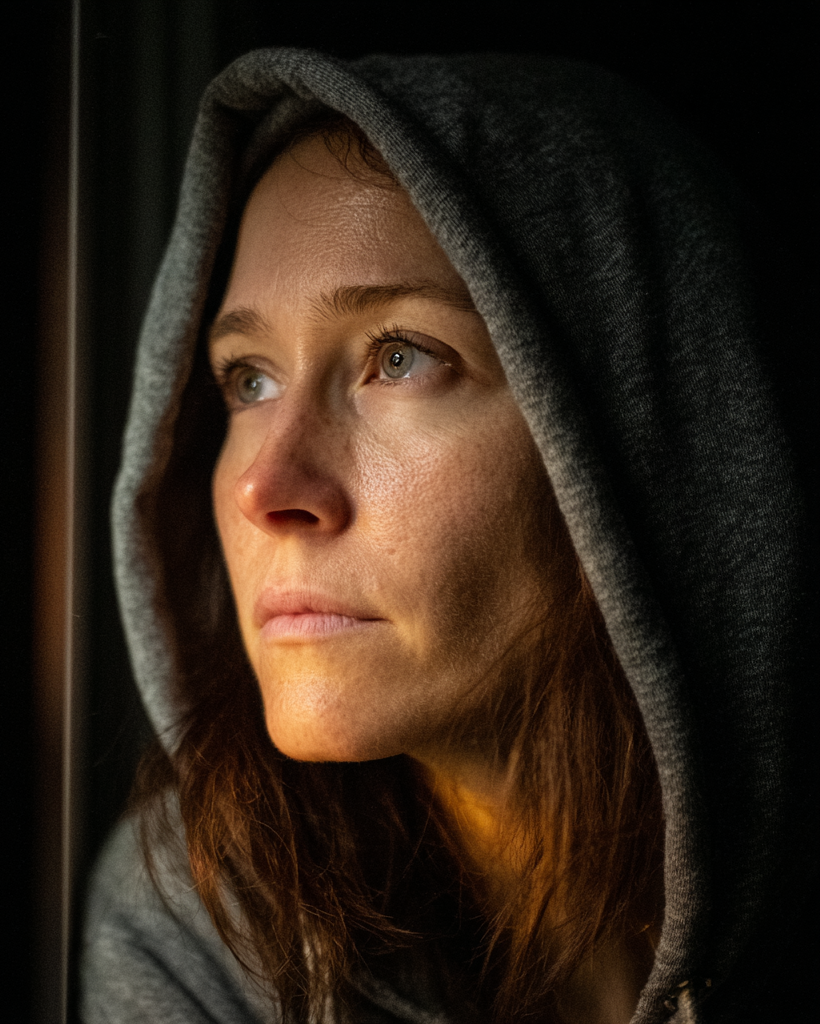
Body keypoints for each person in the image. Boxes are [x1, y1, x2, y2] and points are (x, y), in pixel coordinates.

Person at [82, 49, 816, 1024]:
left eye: (399, 357)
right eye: (246, 378)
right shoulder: (202, 919)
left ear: (633, 445)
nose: (267, 486)